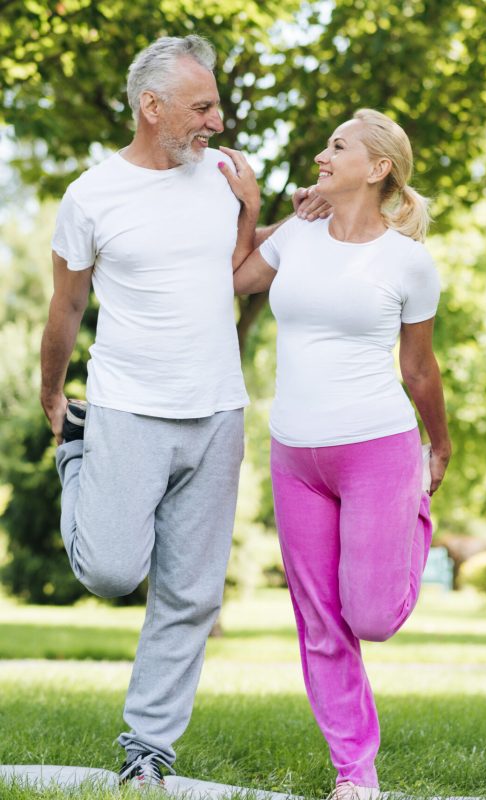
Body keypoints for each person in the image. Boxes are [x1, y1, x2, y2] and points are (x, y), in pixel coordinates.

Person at [40, 34, 268, 790]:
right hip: (126, 406)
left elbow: (234, 278)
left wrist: (257, 213)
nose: (218, 121)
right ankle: (79, 460)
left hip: (216, 410)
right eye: (202, 106)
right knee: (108, 570)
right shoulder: (92, 196)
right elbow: (67, 305)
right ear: (152, 105)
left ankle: (149, 750)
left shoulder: (220, 180)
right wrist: (51, 390)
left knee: (192, 593)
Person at [231, 109, 451, 799]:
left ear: (378, 167)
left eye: (337, 146)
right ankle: (355, 775)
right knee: (321, 623)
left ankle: (412, 524)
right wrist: (258, 213)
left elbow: (420, 369)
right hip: (295, 454)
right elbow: (235, 278)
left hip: (378, 449)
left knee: (373, 618)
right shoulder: (298, 234)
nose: (322, 156)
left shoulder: (409, 261)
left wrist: (437, 444)